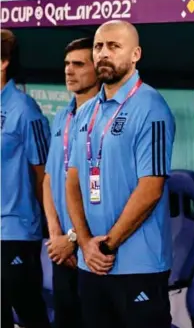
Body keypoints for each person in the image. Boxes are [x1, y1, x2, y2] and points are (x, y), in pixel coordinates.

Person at [65, 20, 175, 328]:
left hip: (137, 266)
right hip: (92, 264)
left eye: (114, 46)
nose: (103, 53)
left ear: (136, 54)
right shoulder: (86, 111)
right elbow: (72, 182)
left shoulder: (151, 107)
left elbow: (151, 188)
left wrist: (106, 246)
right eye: (99, 46)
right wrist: (85, 243)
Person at [43, 37, 100, 328]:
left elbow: (108, 192)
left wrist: (74, 240)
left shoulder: (105, 119)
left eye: (79, 64)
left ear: (99, 70)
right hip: (61, 251)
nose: (69, 70)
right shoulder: (61, 116)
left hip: (93, 255)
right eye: (67, 64)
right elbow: (49, 178)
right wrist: (55, 235)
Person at [1, 29, 52, 328]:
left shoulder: (25, 110)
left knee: (28, 311)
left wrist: (46, 226)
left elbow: (43, 174)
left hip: (15, 233)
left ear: (3, 62)